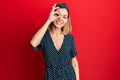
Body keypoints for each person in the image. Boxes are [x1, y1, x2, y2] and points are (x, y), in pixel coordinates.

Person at [30, 3, 79, 80]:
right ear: (52, 15)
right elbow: (33, 43)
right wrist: (49, 20)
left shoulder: (69, 38)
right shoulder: (44, 37)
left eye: (64, 17)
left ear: (67, 20)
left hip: (69, 77)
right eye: (57, 15)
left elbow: (74, 62)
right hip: (51, 77)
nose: (60, 18)